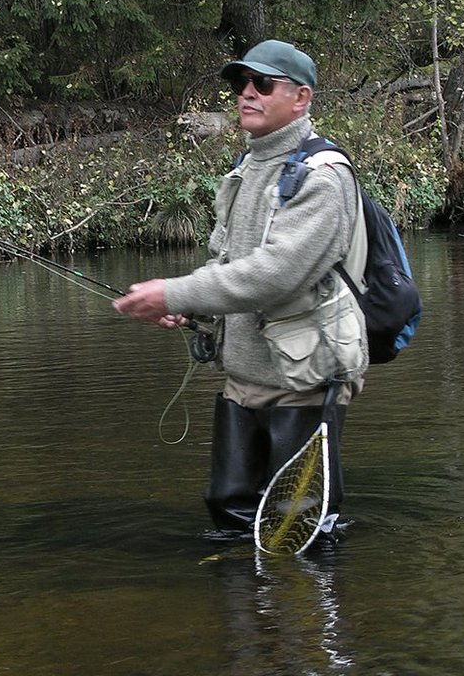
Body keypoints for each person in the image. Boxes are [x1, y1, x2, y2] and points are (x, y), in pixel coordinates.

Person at [113, 39, 367, 539]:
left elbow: (277, 274)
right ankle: (242, 611)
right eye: (240, 84)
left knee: (300, 530)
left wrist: (176, 293)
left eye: (262, 84)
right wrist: (191, 310)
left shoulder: (324, 177)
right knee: (229, 514)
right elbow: (228, 264)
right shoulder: (246, 169)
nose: (246, 94)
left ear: (301, 98)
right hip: (243, 379)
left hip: (304, 385)